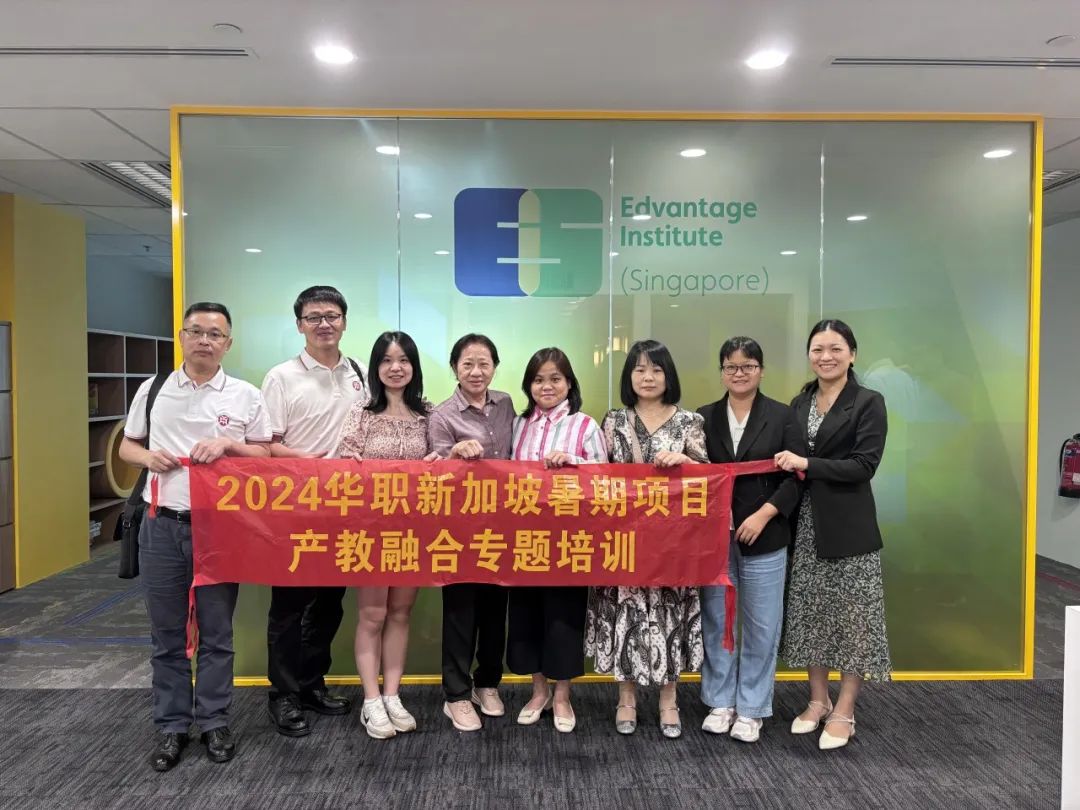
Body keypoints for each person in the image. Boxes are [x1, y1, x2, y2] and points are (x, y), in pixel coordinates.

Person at [119, 302, 271, 772]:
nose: (205, 340)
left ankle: (214, 722)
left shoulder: (245, 395)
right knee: (166, 635)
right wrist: (148, 459)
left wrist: (228, 445)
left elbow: (265, 455)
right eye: (196, 331)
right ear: (182, 337)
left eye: (215, 334)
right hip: (162, 525)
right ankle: (171, 726)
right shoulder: (154, 388)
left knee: (217, 634)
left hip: (221, 529)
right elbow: (127, 445)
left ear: (228, 343)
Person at [775, 319, 891, 751]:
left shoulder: (868, 402)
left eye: (836, 348)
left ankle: (845, 709)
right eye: (818, 349)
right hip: (804, 526)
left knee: (854, 619)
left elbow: (864, 465)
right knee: (811, 616)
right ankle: (817, 700)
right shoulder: (799, 401)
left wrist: (806, 464)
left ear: (852, 354)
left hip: (848, 527)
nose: (826, 356)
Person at [584, 339, 707, 740]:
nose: (648, 377)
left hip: (672, 545)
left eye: (656, 369)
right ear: (629, 376)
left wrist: (685, 462)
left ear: (669, 375)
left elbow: (709, 480)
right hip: (623, 541)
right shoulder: (613, 421)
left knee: (670, 617)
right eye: (639, 369)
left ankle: (669, 699)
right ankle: (626, 698)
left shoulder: (689, 422)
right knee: (626, 615)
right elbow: (597, 476)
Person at [261, 285, 368, 738]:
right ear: (299, 324)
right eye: (313, 317)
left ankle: (311, 684)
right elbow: (265, 445)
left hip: (346, 510)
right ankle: (283, 695)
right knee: (289, 606)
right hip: (297, 509)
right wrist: (311, 463)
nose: (324, 324)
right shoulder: (281, 377)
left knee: (329, 604)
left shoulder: (359, 372)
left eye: (332, 315)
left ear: (344, 320)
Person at [696, 337, 804, 743]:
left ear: (761, 370)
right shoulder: (704, 417)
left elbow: (797, 477)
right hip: (715, 539)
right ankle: (720, 701)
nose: (739, 373)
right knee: (718, 621)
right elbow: (697, 471)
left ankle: (752, 708)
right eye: (731, 367)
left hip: (766, 534)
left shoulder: (783, 415)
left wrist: (764, 514)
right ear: (722, 371)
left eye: (747, 366)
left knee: (761, 624)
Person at [335, 331, 435, 739]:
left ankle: (393, 695)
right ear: (376, 368)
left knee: (400, 613)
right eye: (387, 360)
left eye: (404, 360)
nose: (396, 368)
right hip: (370, 532)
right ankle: (371, 700)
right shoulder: (361, 413)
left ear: (414, 366)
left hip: (414, 531)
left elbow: (443, 459)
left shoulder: (428, 414)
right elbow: (343, 466)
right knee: (372, 615)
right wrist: (351, 462)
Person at [508, 347, 607, 733]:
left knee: (563, 617)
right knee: (527, 615)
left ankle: (562, 695)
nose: (546, 386)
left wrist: (573, 464)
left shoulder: (585, 425)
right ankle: (539, 692)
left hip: (570, 539)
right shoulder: (519, 424)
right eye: (538, 380)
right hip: (524, 537)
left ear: (569, 383)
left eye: (555, 379)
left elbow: (605, 478)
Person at [426, 334, 516, 732]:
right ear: (455, 368)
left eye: (484, 363)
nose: (476, 371)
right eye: (467, 364)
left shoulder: (507, 403)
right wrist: (454, 454)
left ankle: (487, 683)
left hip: (504, 525)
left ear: (494, 366)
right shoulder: (442, 415)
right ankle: (456, 695)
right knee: (460, 613)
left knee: (496, 611)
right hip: (459, 530)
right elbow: (436, 471)